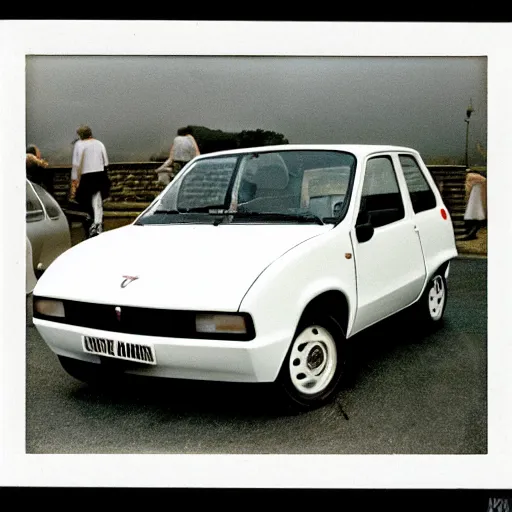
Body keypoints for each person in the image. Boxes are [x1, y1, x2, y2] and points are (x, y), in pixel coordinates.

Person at [69, 125, 110, 238]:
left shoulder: (79, 145)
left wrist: (74, 180)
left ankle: (90, 223)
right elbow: (106, 162)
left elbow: (76, 164)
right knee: (97, 200)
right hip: (100, 174)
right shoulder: (99, 143)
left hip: (86, 175)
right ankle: (98, 223)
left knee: (85, 200)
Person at [459, 170, 487, 241]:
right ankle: (472, 233)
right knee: (476, 216)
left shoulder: (470, 177)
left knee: (475, 216)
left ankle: (471, 234)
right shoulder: (476, 178)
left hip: (476, 198)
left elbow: (468, 189)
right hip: (477, 197)